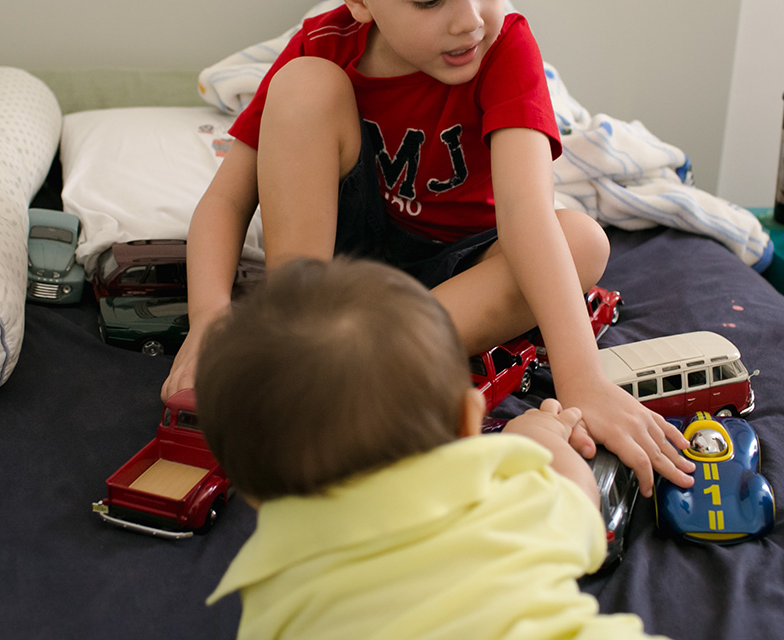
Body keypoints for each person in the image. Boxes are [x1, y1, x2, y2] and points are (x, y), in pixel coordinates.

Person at [162, 0, 694, 495]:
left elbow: (527, 215)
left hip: (461, 268)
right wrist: (211, 315)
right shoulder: (324, 46)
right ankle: (303, 338)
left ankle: (365, 359)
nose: (469, 20)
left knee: (582, 240)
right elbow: (224, 202)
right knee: (303, 86)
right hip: (340, 271)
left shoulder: (506, 48)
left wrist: (584, 379)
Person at [198, 257, 669, 640]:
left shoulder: (270, 591)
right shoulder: (507, 496)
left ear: (250, 489)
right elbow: (582, 502)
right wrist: (541, 441)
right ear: (470, 422)